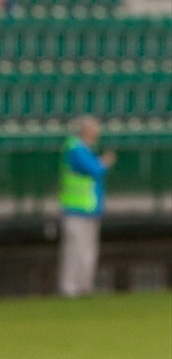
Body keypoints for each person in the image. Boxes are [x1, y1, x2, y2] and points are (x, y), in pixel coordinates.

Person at [57, 116, 116, 297]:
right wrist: (104, 162)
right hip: (75, 208)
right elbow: (94, 169)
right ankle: (69, 287)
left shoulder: (87, 149)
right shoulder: (75, 148)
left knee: (88, 250)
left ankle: (85, 285)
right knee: (75, 249)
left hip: (90, 208)